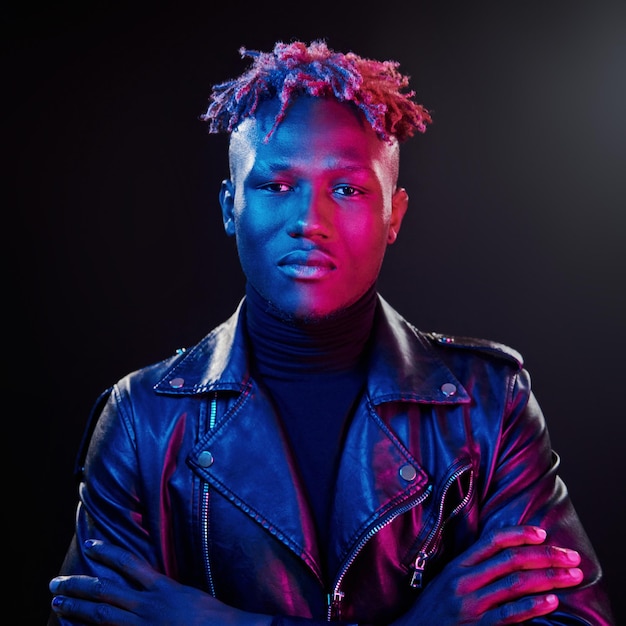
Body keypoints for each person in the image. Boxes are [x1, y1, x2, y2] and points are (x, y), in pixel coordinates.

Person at [48, 39, 614, 625]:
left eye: (347, 189)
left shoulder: (488, 404)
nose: (309, 223)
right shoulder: (143, 419)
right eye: (275, 186)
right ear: (229, 206)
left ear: (393, 215)